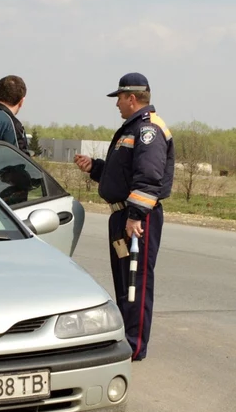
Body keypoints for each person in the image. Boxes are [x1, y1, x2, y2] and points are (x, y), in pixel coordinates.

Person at [74, 73, 174, 361]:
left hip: (137, 219)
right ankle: (126, 338)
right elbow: (123, 174)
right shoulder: (131, 129)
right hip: (122, 216)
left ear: (132, 98)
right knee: (123, 281)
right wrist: (95, 167)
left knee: (136, 281)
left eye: (118, 97)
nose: (116, 103)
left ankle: (134, 345)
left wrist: (135, 216)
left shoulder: (148, 131)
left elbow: (148, 178)